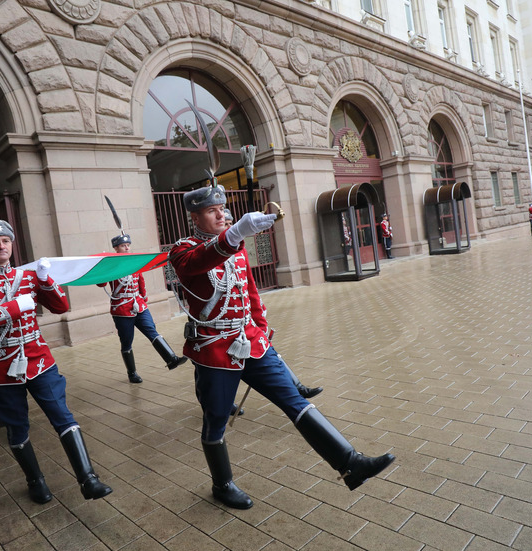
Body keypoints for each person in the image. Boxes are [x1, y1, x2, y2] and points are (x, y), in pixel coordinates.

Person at [169, 185, 394, 509]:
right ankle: (222, 484)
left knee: (293, 399)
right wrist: (234, 234)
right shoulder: (183, 250)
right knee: (216, 418)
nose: (221, 214)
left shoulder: (235, 245)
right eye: (211, 211)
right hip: (214, 349)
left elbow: (250, 291)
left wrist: (259, 327)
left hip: (251, 342)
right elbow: (198, 264)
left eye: (223, 208)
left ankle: (350, 463)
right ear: (195, 217)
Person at [0, 219, 112, 504]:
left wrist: (45, 280)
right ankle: (35, 480)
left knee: (63, 416)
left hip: (38, 360)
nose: (2, 245)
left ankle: (88, 479)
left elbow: (60, 307)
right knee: (17, 427)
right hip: (1, 369)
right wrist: (13, 307)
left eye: (6, 240)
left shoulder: (27, 277)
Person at [223, 208, 322, 400]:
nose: (228, 227)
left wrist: (259, 318)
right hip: (221, 327)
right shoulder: (209, 252)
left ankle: (297, 387)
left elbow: (249, 285)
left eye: (230, 224)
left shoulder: (240, 249)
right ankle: (220, 403)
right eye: (224, 224)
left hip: (245, 324)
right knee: (219, 370)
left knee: (269, 354)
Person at [97, 232, 188, 383]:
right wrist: (105, 269)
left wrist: (143, 296)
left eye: (127, 245)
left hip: (138, 304)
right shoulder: (112, 265)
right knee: (127, 341)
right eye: (123, 246)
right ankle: (132, 373)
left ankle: (171, 359)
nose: (126, 248)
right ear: (116, 248)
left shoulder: (134, 261)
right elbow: (101, 284)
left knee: (152, 330)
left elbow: (140, 279)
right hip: (122, 308)